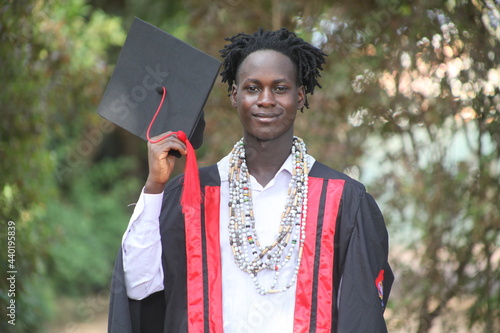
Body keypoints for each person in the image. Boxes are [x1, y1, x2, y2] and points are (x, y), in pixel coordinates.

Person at [108, 27, 394, 333]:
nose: (266, 100)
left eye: (280, 88)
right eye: (253, 88)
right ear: (235, 96)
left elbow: (361, 316)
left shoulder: (343, 199)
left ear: (300, 96)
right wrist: (155, 186)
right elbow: (139, 286)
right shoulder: (193, 195)